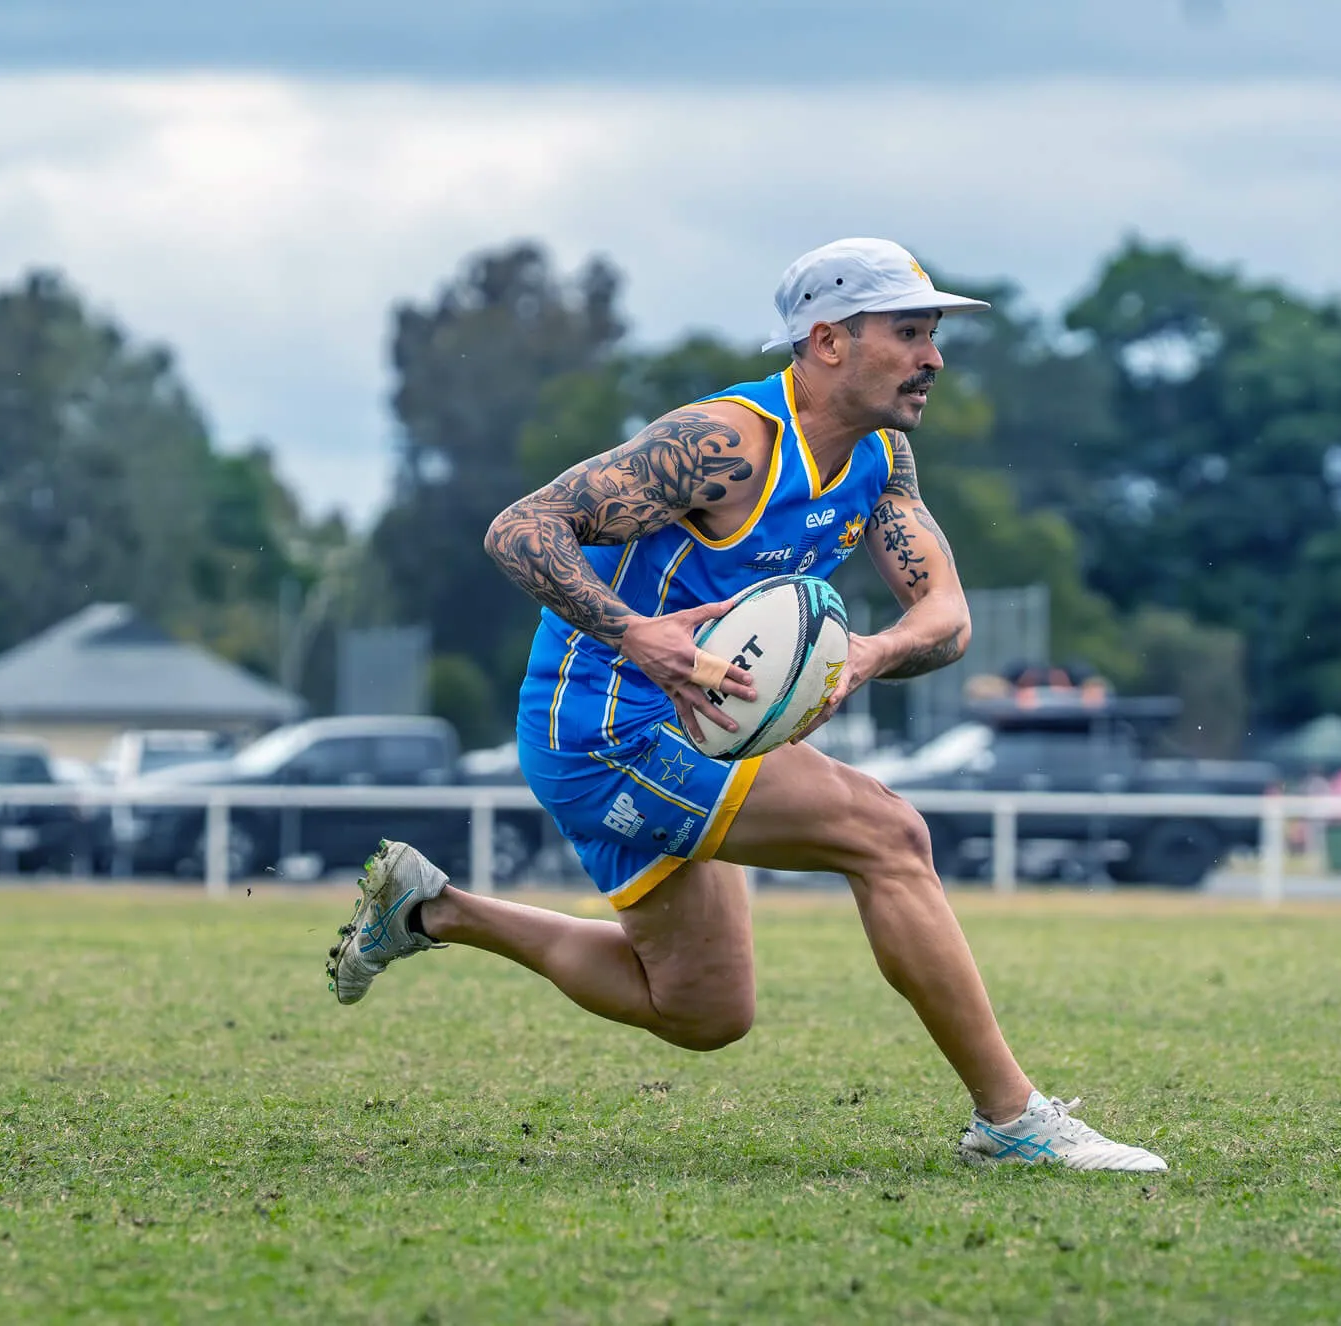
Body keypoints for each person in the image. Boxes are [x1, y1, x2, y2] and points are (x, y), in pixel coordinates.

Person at [325, 237, 1164, 1172]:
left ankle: (430, 911)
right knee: (890, 836)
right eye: (909, 333)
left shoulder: (881, 459)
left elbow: (947, 618)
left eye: (933, 334)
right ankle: (1011, 1120)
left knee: (702, 1010)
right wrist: (636, 633)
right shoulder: (725, 444)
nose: (933, 357)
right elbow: (520, 528)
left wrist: (866, 655)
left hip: (702, 730)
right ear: (828, 340)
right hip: (602, 729)